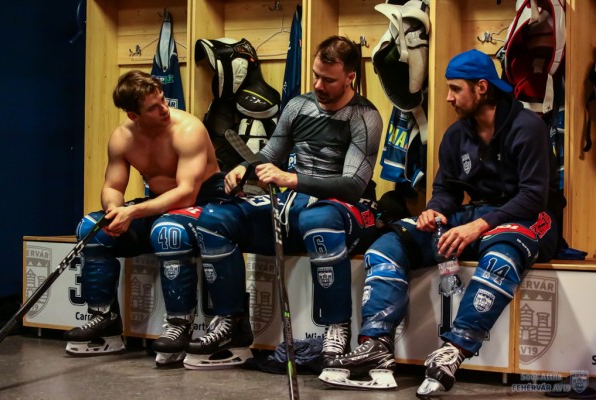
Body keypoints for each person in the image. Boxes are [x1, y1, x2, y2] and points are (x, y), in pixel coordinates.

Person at [324, 48, 562, 393]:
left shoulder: (529, 126)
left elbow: (532, 197)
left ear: (482, 87)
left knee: (502, 254)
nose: (448, 97)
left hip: (530, 219)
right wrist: (435, 210)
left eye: (455, 89)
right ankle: (376, 344)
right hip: (477, 217)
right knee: (388, 244)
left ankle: (454, 350)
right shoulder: (456, 134)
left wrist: (477, 226)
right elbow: (447, 189)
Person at [183, 35, 383, 370]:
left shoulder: (364, 116)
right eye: (316, 76)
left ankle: (337, 328)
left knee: (318, 219)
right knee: (215, 218)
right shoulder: (298, 106)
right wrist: (244, 168)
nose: (318, 85)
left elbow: (352, 186)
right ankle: (232, 322)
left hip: (346, 210)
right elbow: (271, 154)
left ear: (350, 77)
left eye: (329, 80)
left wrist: (291, 179)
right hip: (294, 205)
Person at [63, 70, 229, 367]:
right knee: (92, 227)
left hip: (205, 203)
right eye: (153, 107)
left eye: (163, 100)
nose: (164, 108)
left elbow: (187, 193)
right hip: (160, 205)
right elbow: (113, 187)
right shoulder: (122, 138)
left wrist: (134, 211)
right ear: (133, 115)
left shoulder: (188, 129)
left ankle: (179, 325)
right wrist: (114, 212)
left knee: (169, 232)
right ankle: (104, 318)